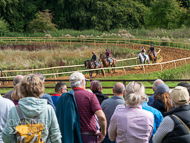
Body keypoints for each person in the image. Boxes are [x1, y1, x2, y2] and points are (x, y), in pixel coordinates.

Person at [2, 74, 62, 143]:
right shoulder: (48, 109)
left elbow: (6, 136)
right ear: (41, 88)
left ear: (22, 89)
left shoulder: (15, 110)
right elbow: (56, 135)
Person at [56, 72, 107, 143]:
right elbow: (101, 117)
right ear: (83, 82)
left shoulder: (64, 98)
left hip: (70, 137)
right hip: (88, 137)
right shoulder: (90, 96)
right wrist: (103, 133)